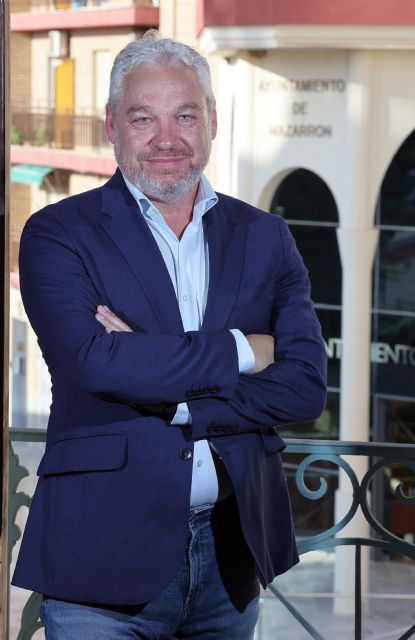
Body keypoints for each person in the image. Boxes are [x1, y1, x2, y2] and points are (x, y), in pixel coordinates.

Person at [13, 30, 327, 640]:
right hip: (98, 557)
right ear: (112, 125)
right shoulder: (58, 232)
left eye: (184, 115)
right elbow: (96, 363)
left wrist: (168, 389)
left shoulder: (266, 236)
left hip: (231, 556)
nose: (166, 139)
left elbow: (305, 387)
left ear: (212, 121)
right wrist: (245, 349)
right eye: (143, 118)